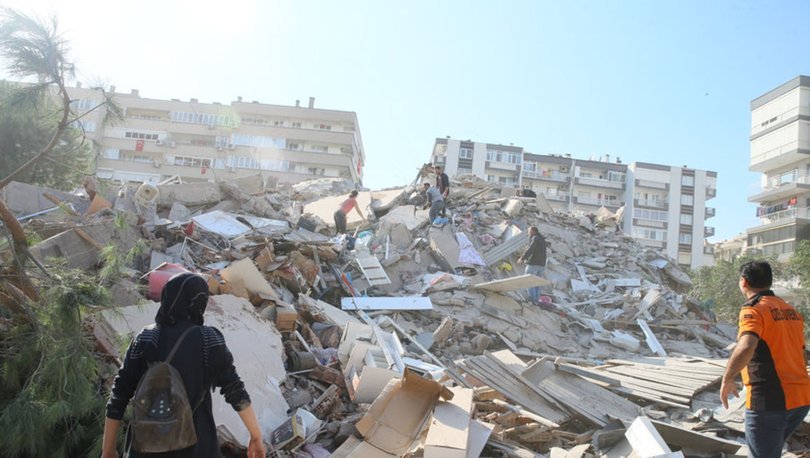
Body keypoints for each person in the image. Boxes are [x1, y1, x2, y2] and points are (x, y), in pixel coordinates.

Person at [102, 273, 266, 458]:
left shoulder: (145, 338)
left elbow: (119, 394)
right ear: (199, 302)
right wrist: (256, 435)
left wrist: (107, 449)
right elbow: (235, 390)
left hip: (144, 447)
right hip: (197, 448)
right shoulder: (208, 340)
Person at [720, 261, 810, 458]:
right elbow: (802, 354)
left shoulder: (752, 309)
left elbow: (746, 345)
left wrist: (727, 379)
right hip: (801, 397)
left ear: (743, 282)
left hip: (770, 400)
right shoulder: (791, 311)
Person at [516, 226, 547, 303]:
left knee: (528, 280)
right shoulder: (542, 239)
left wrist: (522, 258)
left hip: (534, 263)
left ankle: (531, 299)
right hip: (542, 265)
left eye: (529, 231)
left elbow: (530, 249)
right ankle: (536, 300)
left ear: (533, 231)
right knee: (537, 283)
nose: (528, 233)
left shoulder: (535, 238)